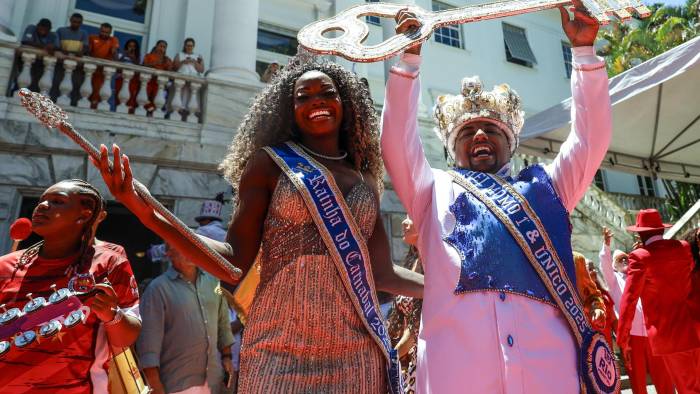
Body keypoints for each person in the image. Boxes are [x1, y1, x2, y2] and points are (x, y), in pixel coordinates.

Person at [95, 55, 423, 393]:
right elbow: (233, 261)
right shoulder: (269, 165)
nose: (316, 102)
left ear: (346, 103)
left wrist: (443, 286)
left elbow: (382, 274)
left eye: (326, 93)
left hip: (356, 347)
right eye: (303, 96)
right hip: (278, 343)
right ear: (289, 109)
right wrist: (148, 212)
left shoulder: (366, 179)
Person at [382, 3, 614, 392]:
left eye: (491, 128)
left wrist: (584, 55)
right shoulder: (430, 190)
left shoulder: (548, 189)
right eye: (467, 131)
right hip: (455, 372)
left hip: (549, 370)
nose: (479, 135)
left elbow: (590, 140)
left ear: (511, 142)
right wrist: (408, 61)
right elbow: (396, 143)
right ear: (452, 150)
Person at [0, 179, 141, 393]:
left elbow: (128, 337)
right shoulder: (6, 265)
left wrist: (112, 315)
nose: (43, 206)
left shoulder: (108, 261)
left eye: (57, 201)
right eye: (42, 200)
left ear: (84, 215)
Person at [617, 209, 700, 393]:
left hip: (670, 337)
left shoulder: (639, 257)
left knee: (689, 389)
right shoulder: (684, 247)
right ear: (661, 230)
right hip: (694, 329)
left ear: (640, 233)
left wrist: (623, 340)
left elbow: (629, 300)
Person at [137, 243, 234, 394]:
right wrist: (155, 386)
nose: (190, 253)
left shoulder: (213, 282)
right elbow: (148, 344)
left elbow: (223, 323)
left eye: (194, 248)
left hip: (214, 381)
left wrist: (227, 356)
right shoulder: (157, 289)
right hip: (175, 384)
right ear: (169, 253)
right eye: (184, 247)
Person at [598, 226, 673, 394]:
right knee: (637, 377)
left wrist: (643, 250)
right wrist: (606, 244)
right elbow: (604, 264)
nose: (624, 261)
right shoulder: (613, 280)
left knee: (662, 373)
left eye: (626, 258)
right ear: (614, 266)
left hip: (651, 331)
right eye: (619, 260)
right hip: (631, 336)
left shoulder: (640, 272)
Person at [387, 218, 423, 394]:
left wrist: (391, 357)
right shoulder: (413, 260)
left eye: (411, 216)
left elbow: (417, 324)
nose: (403, 221)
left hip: (420, 361)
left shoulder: (432, 264)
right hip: (405, 360)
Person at [88, 23, 120, 107]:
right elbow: (88, 52)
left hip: (104, 72)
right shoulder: (92, 38)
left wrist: (114, 50)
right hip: (91, 70)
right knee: (87, 92)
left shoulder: (113, 40)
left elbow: (115, 54)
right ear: (99, 30)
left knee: (100, 94)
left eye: (107, 32)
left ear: (110, 33)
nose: (104, 34)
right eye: (102, 31)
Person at [142, 40, 172, 114]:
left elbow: (171, 71)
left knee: (157, 100)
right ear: (156, 46)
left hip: (159, 83)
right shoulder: (148, 56)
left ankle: (152, 111)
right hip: (149, 80)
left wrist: (167, 64)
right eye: (160, 46)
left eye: (164, 47)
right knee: (144, 97)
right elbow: (144, 66)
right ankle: (149, 110)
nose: (162, 48)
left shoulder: (167, 59)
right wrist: (154, 64)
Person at [115, 39, 141, 112]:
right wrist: (124, 55)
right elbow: (117, 65)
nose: (131, 48)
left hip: (132, 81)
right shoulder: (121, 54)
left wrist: (133, 58)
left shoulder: (138, 56)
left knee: (131, 98)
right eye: (130, 46)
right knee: (119, 97)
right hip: (121, 79)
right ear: (127, 46)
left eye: (133, 46)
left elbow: (139, 68)